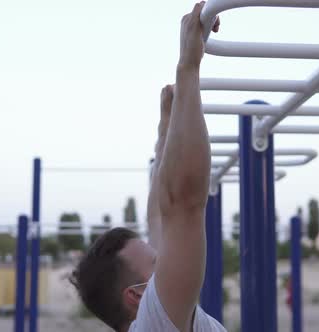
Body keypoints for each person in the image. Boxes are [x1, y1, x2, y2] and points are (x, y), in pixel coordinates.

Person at [69, 2, 225, 331]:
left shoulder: (154, 319)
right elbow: (183, 204)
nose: (165, 254)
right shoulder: (156, 323)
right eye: (156, 261)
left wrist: (165, 132)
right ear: (137, 297)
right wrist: (188, 68)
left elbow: (160, 216)